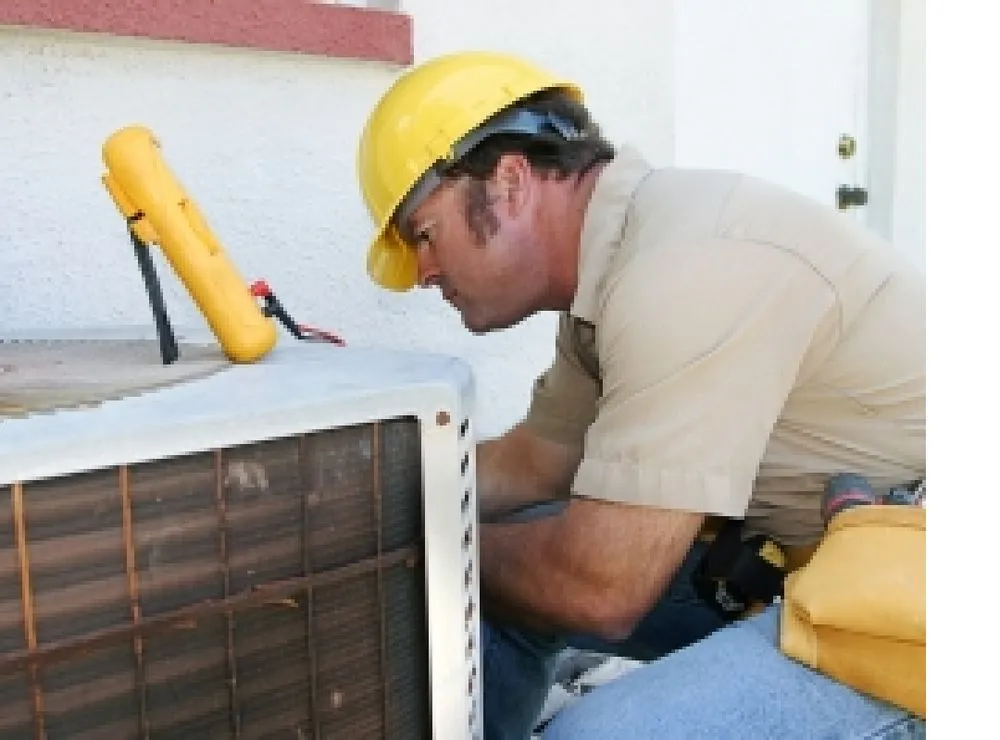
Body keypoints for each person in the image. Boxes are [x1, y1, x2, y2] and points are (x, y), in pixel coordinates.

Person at [355, 51, 926, 739]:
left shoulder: (686, 267)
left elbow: (602, 586)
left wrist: (400, 543)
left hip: (919, 601)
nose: (422, 272)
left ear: (508, 182)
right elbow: (535, 462)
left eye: (424, 234)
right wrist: (376, 492)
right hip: (822, 562)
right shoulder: (609, 276)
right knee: (493, 590)